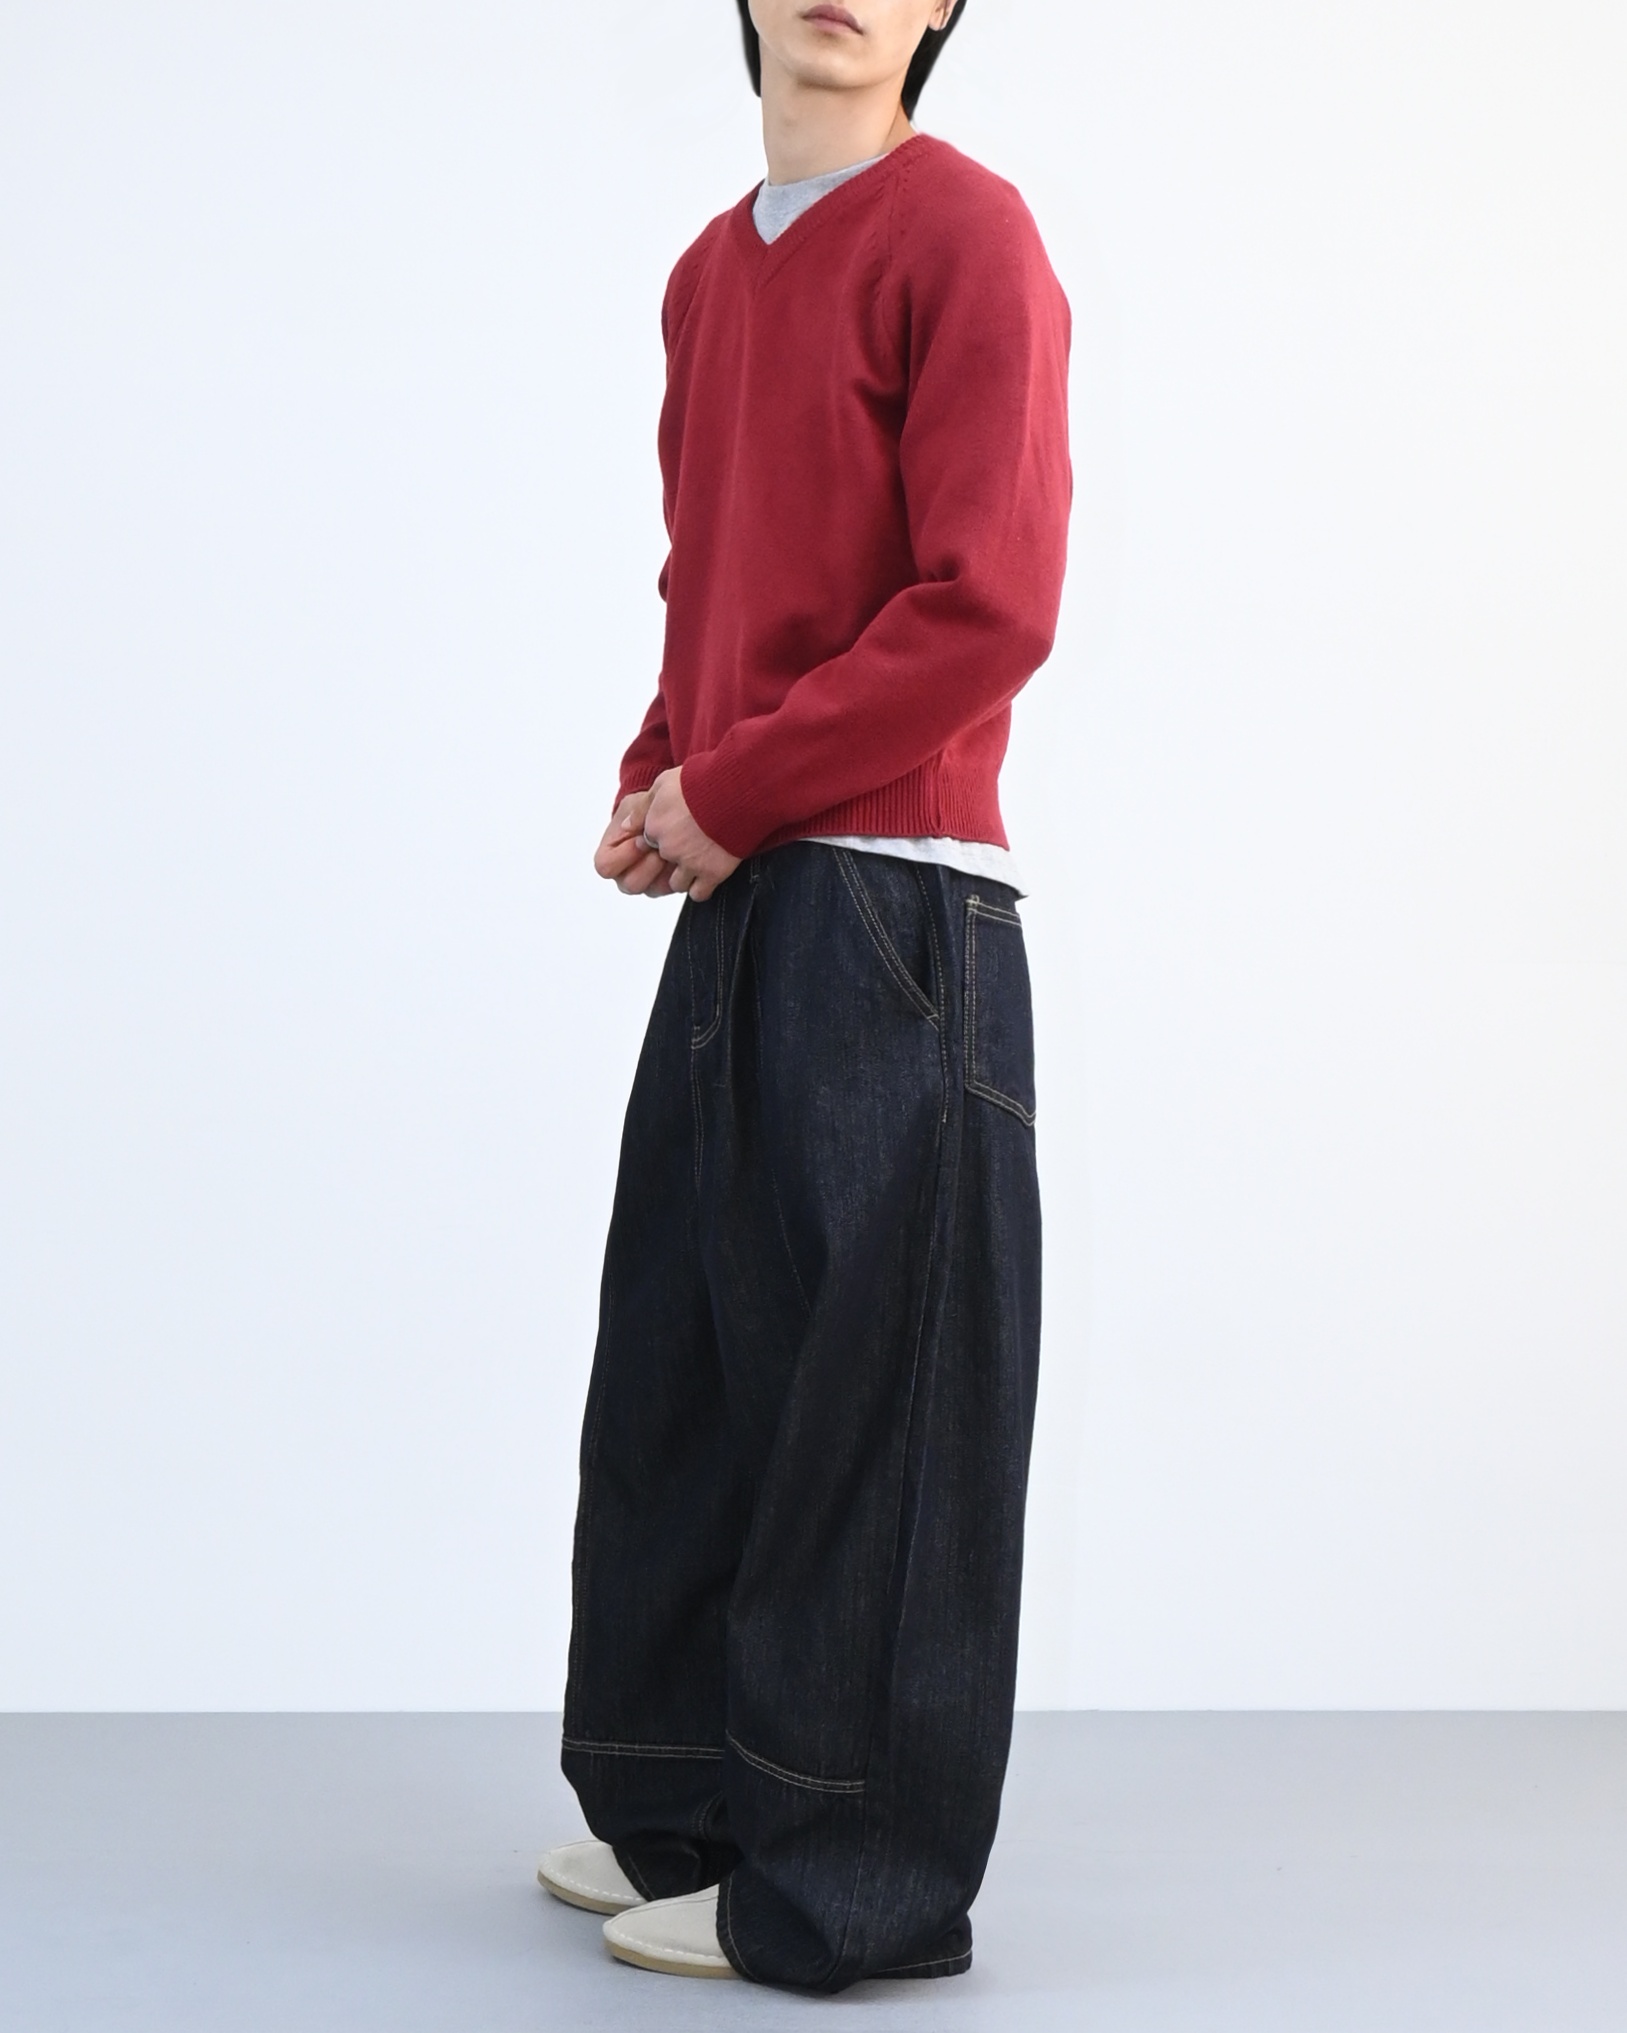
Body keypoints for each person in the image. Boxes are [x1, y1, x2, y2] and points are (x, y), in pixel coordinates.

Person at [537, 0, 1070, 1991]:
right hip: (747, 877)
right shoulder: (710, 271)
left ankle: (849, 1883)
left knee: (878, 1410)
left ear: (943, 12)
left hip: (897, 907)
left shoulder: (966, 232)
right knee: (679, 1367)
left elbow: (988, 601)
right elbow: (714, 577)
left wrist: (733, 788)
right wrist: (659, 771)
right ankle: (679, 1805)